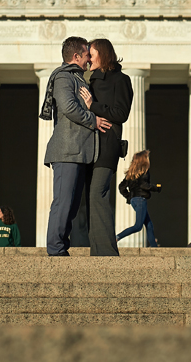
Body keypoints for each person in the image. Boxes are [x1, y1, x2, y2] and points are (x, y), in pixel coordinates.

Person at [40, 36, 110, 257]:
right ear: (76, 56)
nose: (90, 58)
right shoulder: (63, 77)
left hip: (79, 152)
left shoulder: (79, 78)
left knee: (70, 206)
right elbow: (69, 107)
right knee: (63, 203)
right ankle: (55, 249)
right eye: (87, 54)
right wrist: (94, 120)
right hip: (67, 151)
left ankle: (61, 247)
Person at [75, 37, 132, 257]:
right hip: (89, 145)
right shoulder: (88, 81)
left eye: (92, 52)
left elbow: (121, 114)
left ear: (103, 54)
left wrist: (94, 106)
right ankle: (97, 251)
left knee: (98, 193)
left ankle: (108, 252)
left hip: (107, 145)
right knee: (90, 197)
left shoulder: (121, 80)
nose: (88, 57)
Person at [116, 149, 161, 247]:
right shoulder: (144, 171)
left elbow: (121, 187)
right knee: (138, 226)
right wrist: (156, 188)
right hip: (140, 199)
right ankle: (117, 237)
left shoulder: (131, 173)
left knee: (149, 225)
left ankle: (154, 247)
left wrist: (129, 197)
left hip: (134, 200)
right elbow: (144, 185)